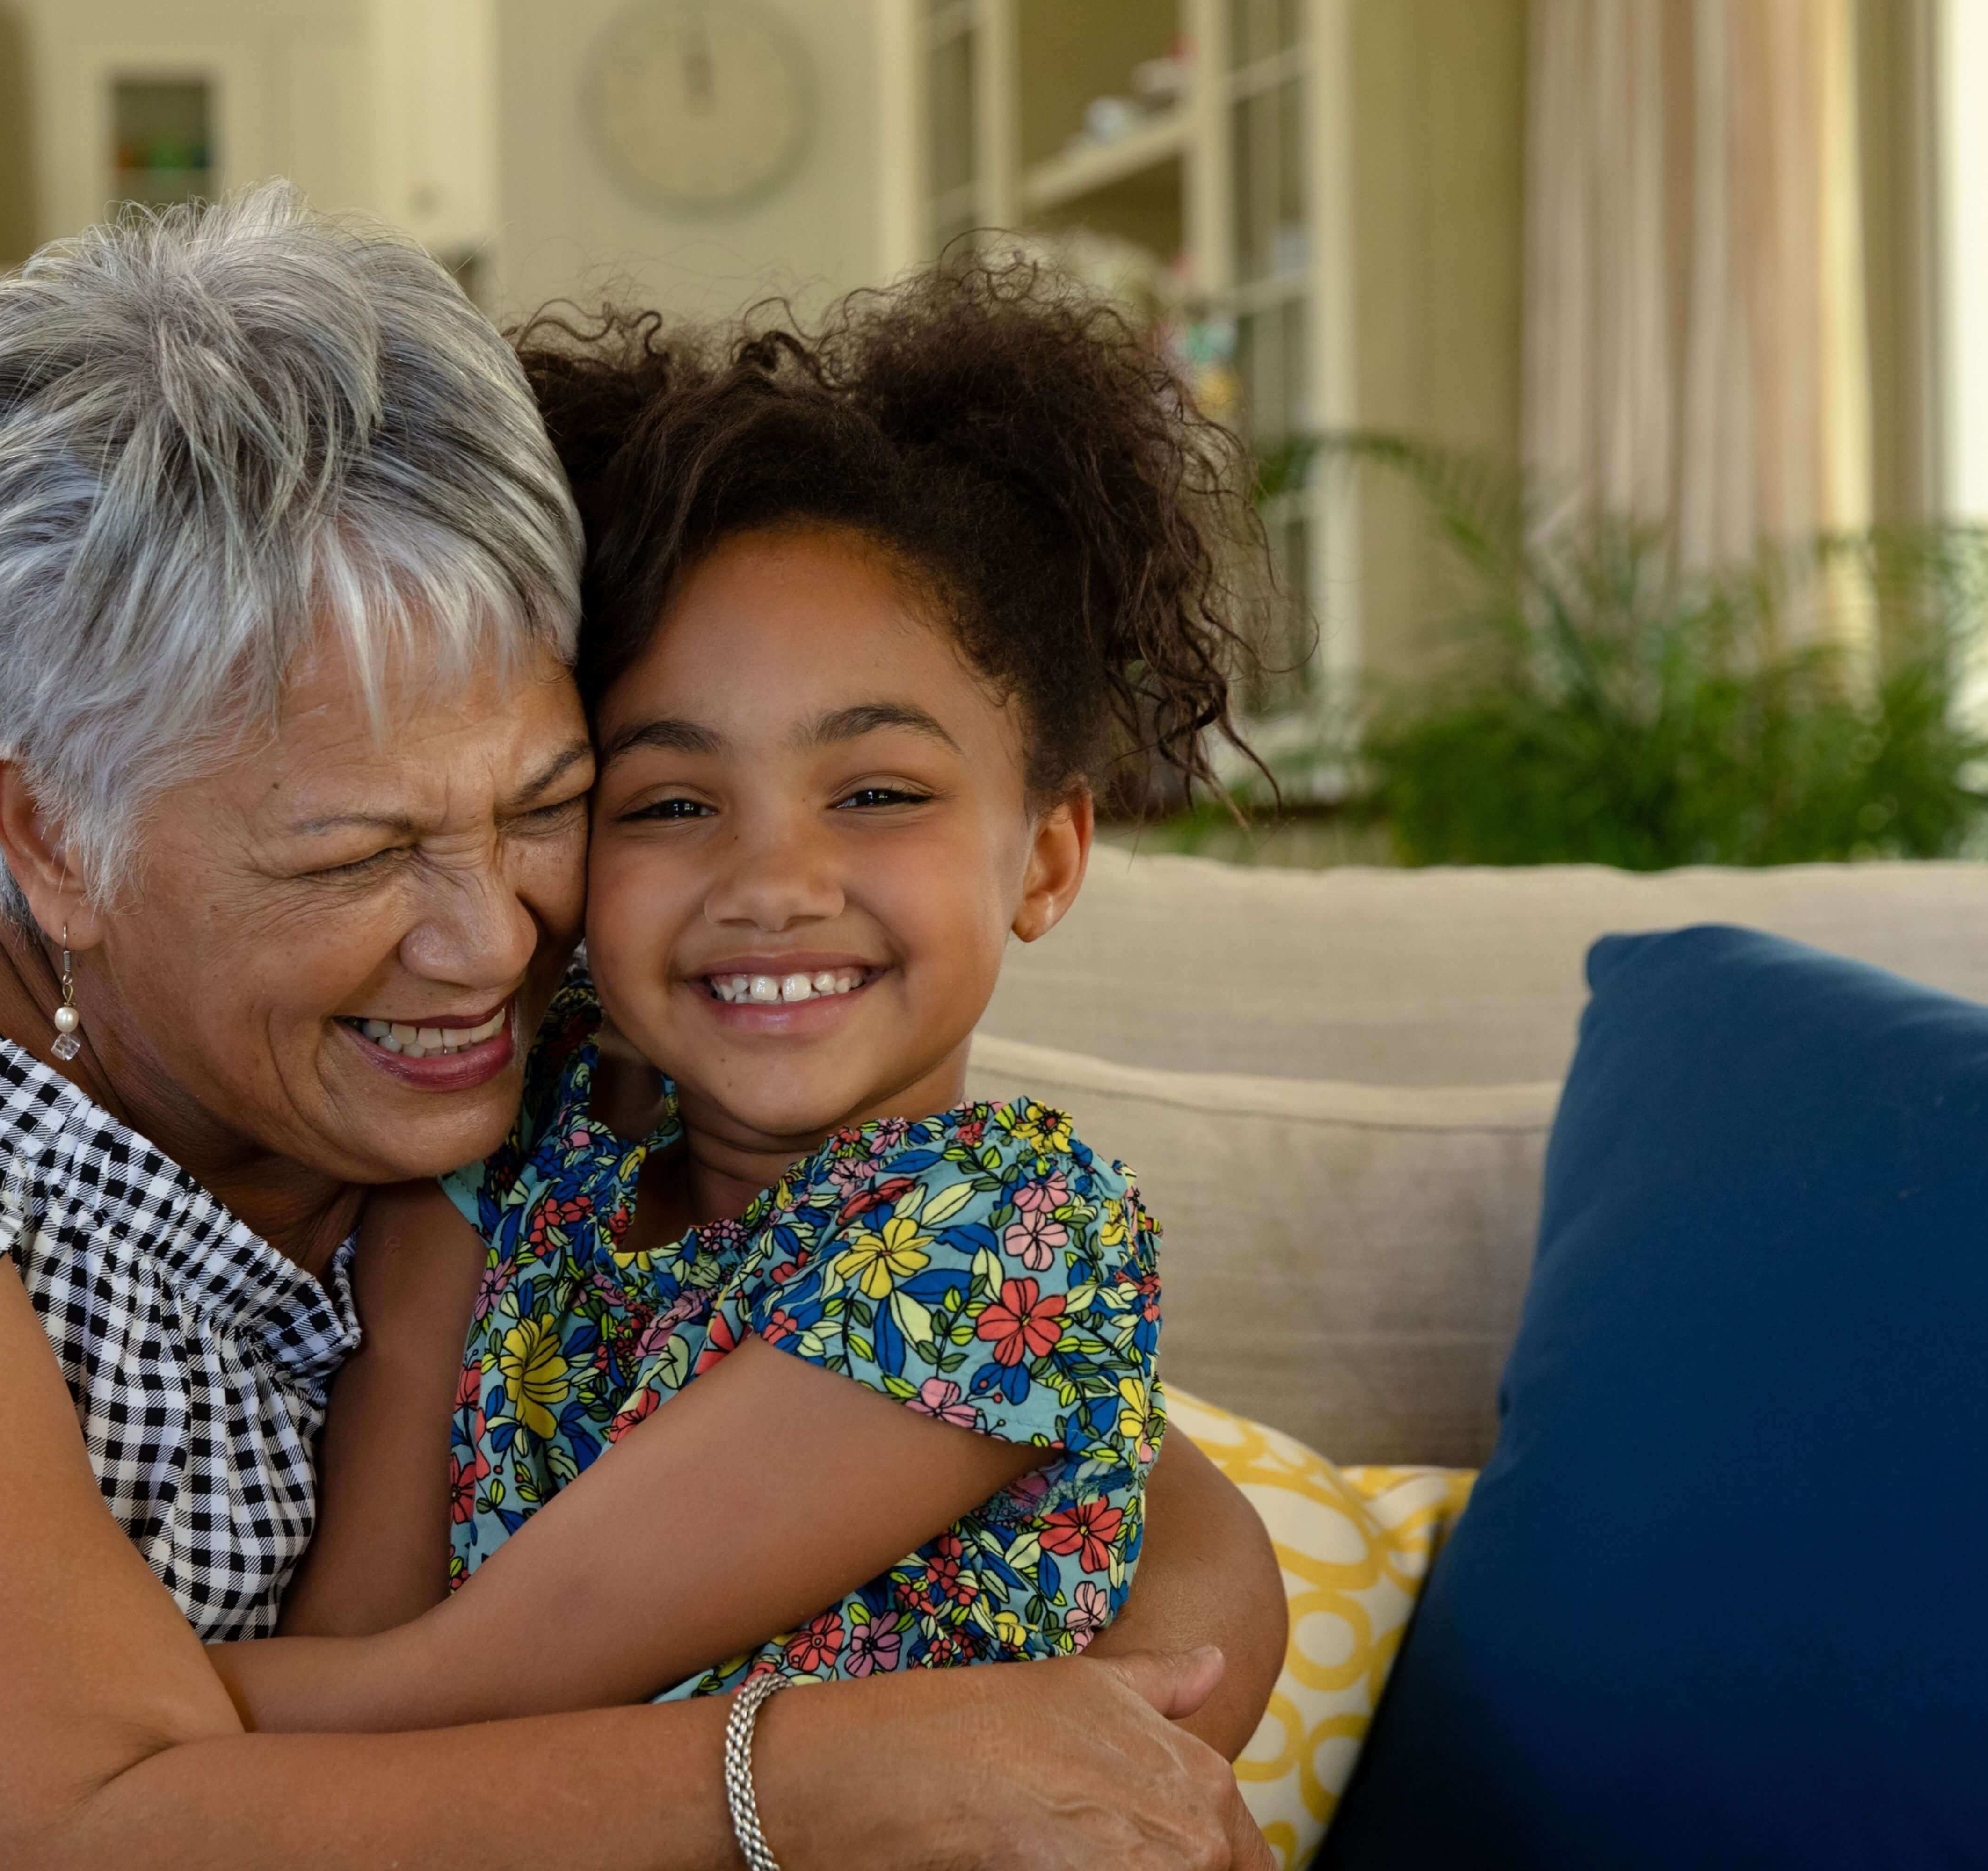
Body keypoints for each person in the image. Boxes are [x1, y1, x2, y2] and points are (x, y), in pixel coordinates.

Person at [0, 187, 1278, 1869]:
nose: (485, 939)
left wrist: (1148, 1674)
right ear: (55, 833)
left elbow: (1071, 1425)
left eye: (544, 806)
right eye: (356, 852)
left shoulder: (512, 1085)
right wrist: (826, 1778)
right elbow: (38, 1830)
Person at [206, 265, 1272, 1736]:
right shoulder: (526, 1121)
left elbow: (427, 1697)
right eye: (671, 801)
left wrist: (42, 1749)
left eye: (879, 790)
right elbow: (359, 1633)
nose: (773, 881)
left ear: (1046, 853)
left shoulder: (1015, 1235)